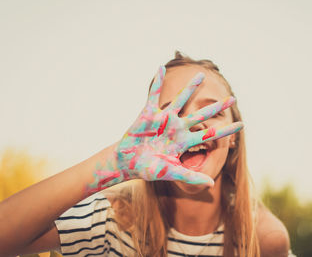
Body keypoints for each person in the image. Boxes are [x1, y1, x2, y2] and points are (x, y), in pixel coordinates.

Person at [0, 52, 293, 257]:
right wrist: (113, 162)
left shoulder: (262, 240)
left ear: (233, 138)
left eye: (211, 109)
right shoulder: (113, 221)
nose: (189, 123)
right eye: (172, 111)